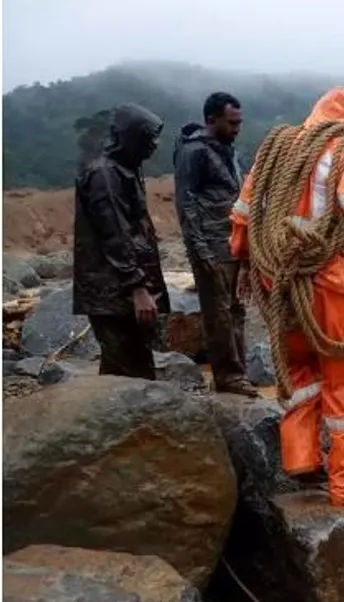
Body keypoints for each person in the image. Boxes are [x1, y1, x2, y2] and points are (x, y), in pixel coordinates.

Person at [230, 86, 344, 507]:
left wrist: (245, 262)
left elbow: (243, 214)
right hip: (334, 282)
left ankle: (301, 460)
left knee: (301, 370)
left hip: (280, 279)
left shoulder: (275, 149)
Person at [72, 103, 170, 379]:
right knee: (127, 372)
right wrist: (138, 288)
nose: (154, 144)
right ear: (130, 136)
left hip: (120, 290)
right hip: (112, 292)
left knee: (131, 366)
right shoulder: (105, 174)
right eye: (148, 137)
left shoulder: (125, 169)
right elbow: (115, 234)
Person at [173, 92, 258, 397]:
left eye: (239, 122)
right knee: (218, 313)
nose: (237, 128)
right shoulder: (193, 152)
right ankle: (228, 377)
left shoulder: (227, 151)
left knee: (236, 310)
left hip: (232, 243)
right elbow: (186, 203)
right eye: (232, 122)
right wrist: (200, 249)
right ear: (212, 120)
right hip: (210, 244)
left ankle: (238, 373)